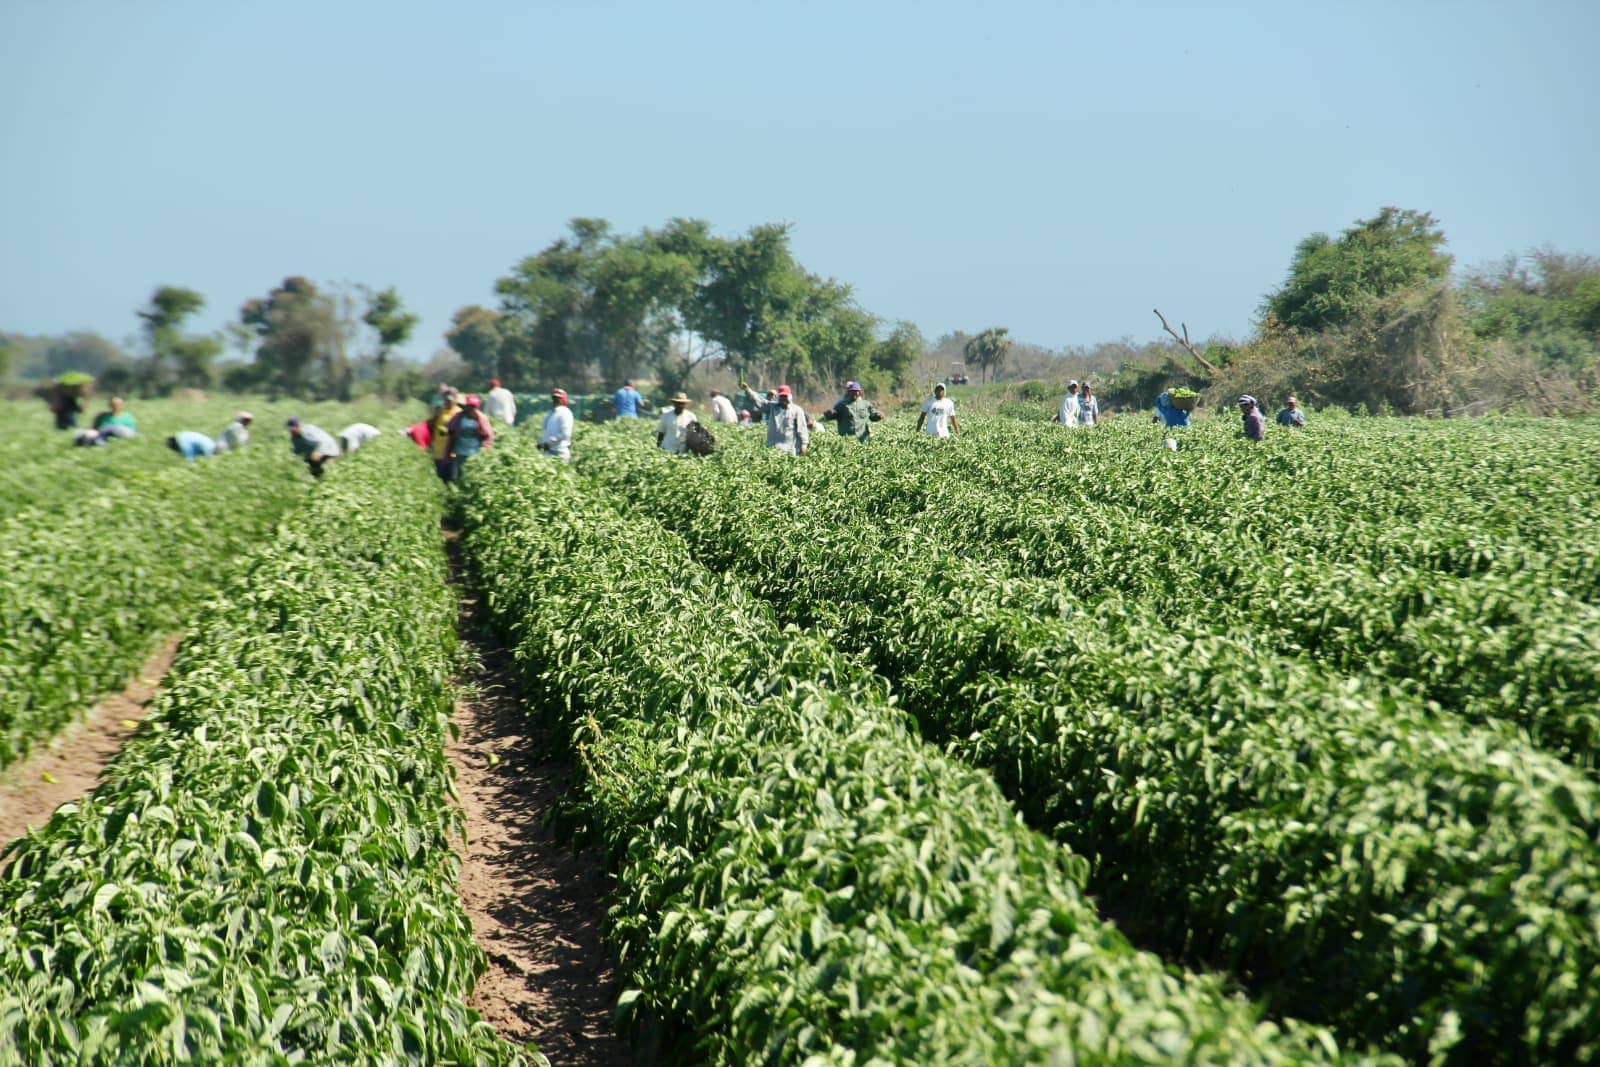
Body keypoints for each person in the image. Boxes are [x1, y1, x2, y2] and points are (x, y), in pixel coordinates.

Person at [741, 383, 810, 455]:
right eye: (781, 396)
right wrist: (748, 390)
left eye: (785, 396)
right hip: (771, 448)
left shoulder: (797, 410)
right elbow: (760, 401)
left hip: (788, 450)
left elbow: (802, 428)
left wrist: (804, 445)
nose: (783, 399)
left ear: (789, 397)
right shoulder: (773, 407)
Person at [446, 394, 495, 478]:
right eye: (470, 406)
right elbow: (450, 428)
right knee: (457, 474)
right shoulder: (459, 416)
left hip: (474, 452)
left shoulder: (481, 418)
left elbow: (488, 435)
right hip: (458, 451)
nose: (471, 408)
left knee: (470, 474)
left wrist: (485, 447)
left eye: (473, 406)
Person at [427, 393, 461, 481]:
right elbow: (431, 424)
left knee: (450, 472)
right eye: (446, 401)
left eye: (450, 401)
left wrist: (449, 432)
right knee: (439, 470)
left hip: (452, 446)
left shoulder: (458, 412)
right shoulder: (440, 411)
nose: (448, 403)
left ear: (454, 401)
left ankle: (449, 489)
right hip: (439, 446)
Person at [539, 388, 574, 462]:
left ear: (563, 399)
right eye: (554, 398)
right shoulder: (550, 413)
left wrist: (550, 442)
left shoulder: (565, 413)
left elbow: (565, 433)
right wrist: (541, 442)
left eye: (558, 398)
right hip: (548, 451)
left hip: (559, 452)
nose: (555, 400)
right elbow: (545, 430)